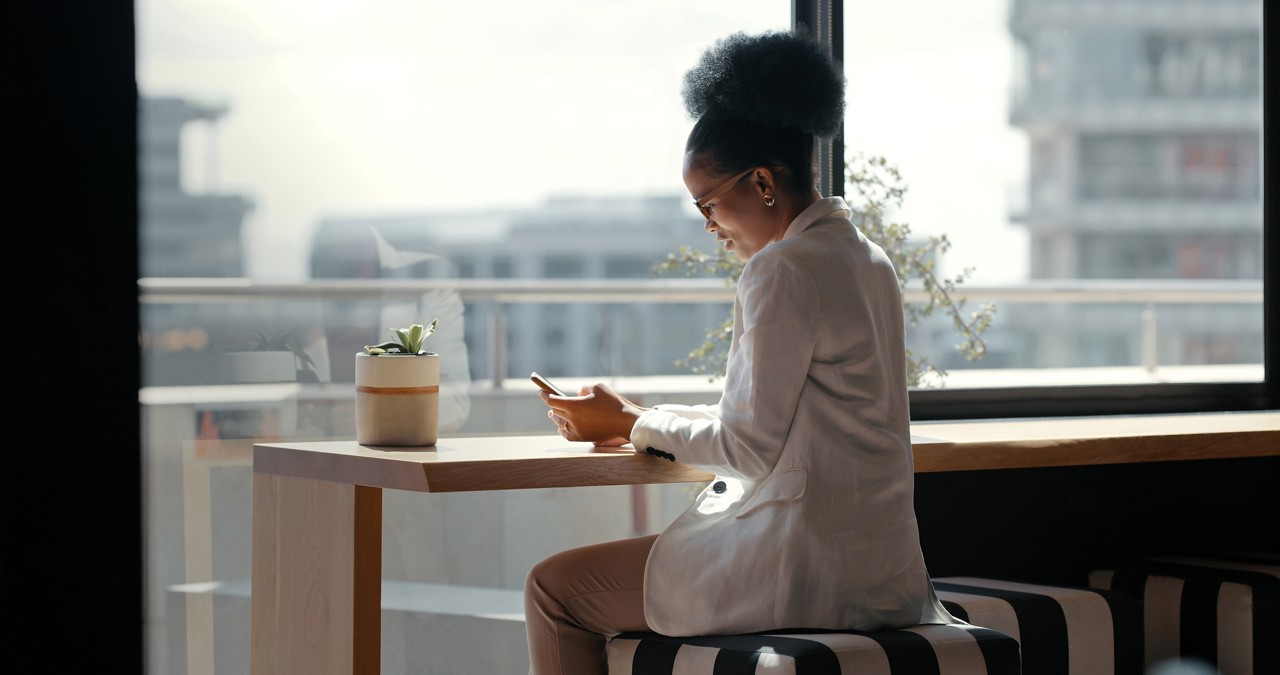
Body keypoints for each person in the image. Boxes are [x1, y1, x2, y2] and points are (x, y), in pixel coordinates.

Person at [524, 30, 957, 675]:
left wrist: (628, 425)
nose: (708, 226)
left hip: (800, 565)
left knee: (553, 590)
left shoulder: (783, 269)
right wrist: (635, 416)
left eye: (708, 203)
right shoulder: (867, 260)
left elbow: (751, 446)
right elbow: (779, 418)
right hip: (878, 571)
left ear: (760, 181)